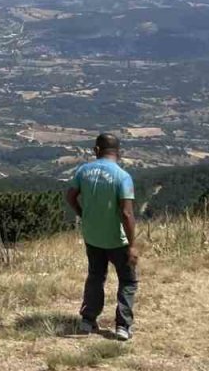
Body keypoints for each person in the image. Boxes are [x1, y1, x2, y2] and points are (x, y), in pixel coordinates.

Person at [66, 132, 138, 341]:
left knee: (96, 276)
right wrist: (132, 245)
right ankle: (122, 326)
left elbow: (70, 196)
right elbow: (126, 213)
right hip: (117, 239)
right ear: (118, 152)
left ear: (96, 150)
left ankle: (88, 320)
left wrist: (82, 214)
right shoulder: (122, 176)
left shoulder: (83, 171)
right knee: (128, 280)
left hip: (92, 236)